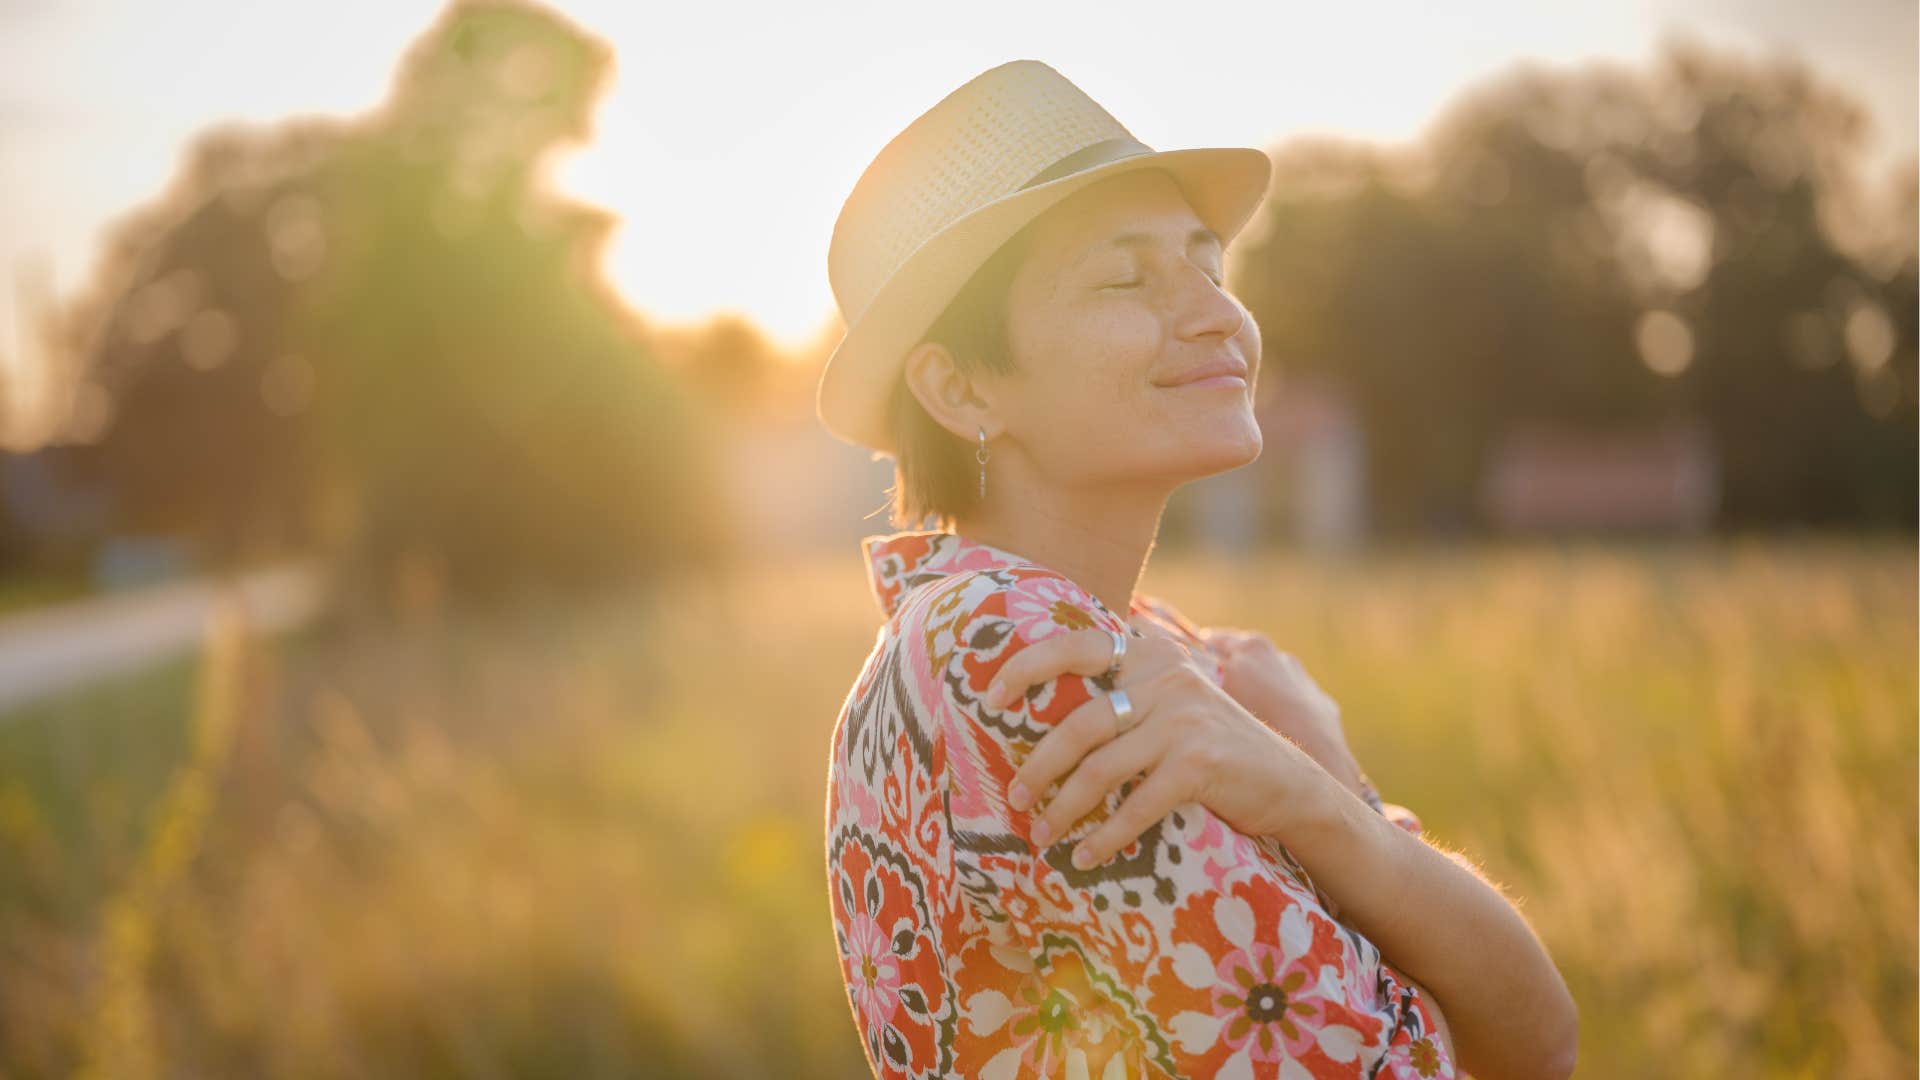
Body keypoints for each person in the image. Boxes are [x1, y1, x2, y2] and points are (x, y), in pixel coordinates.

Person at [819, 59, 1578, 1079]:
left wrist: (1319, 787)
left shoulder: (1139, 649)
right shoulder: (1014, 649)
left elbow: (1528, 1042)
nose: (1219, 315)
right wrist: (1324, 796)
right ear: (960, 385)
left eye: (1210, 267)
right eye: (1126, 277)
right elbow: (1463, 1059)